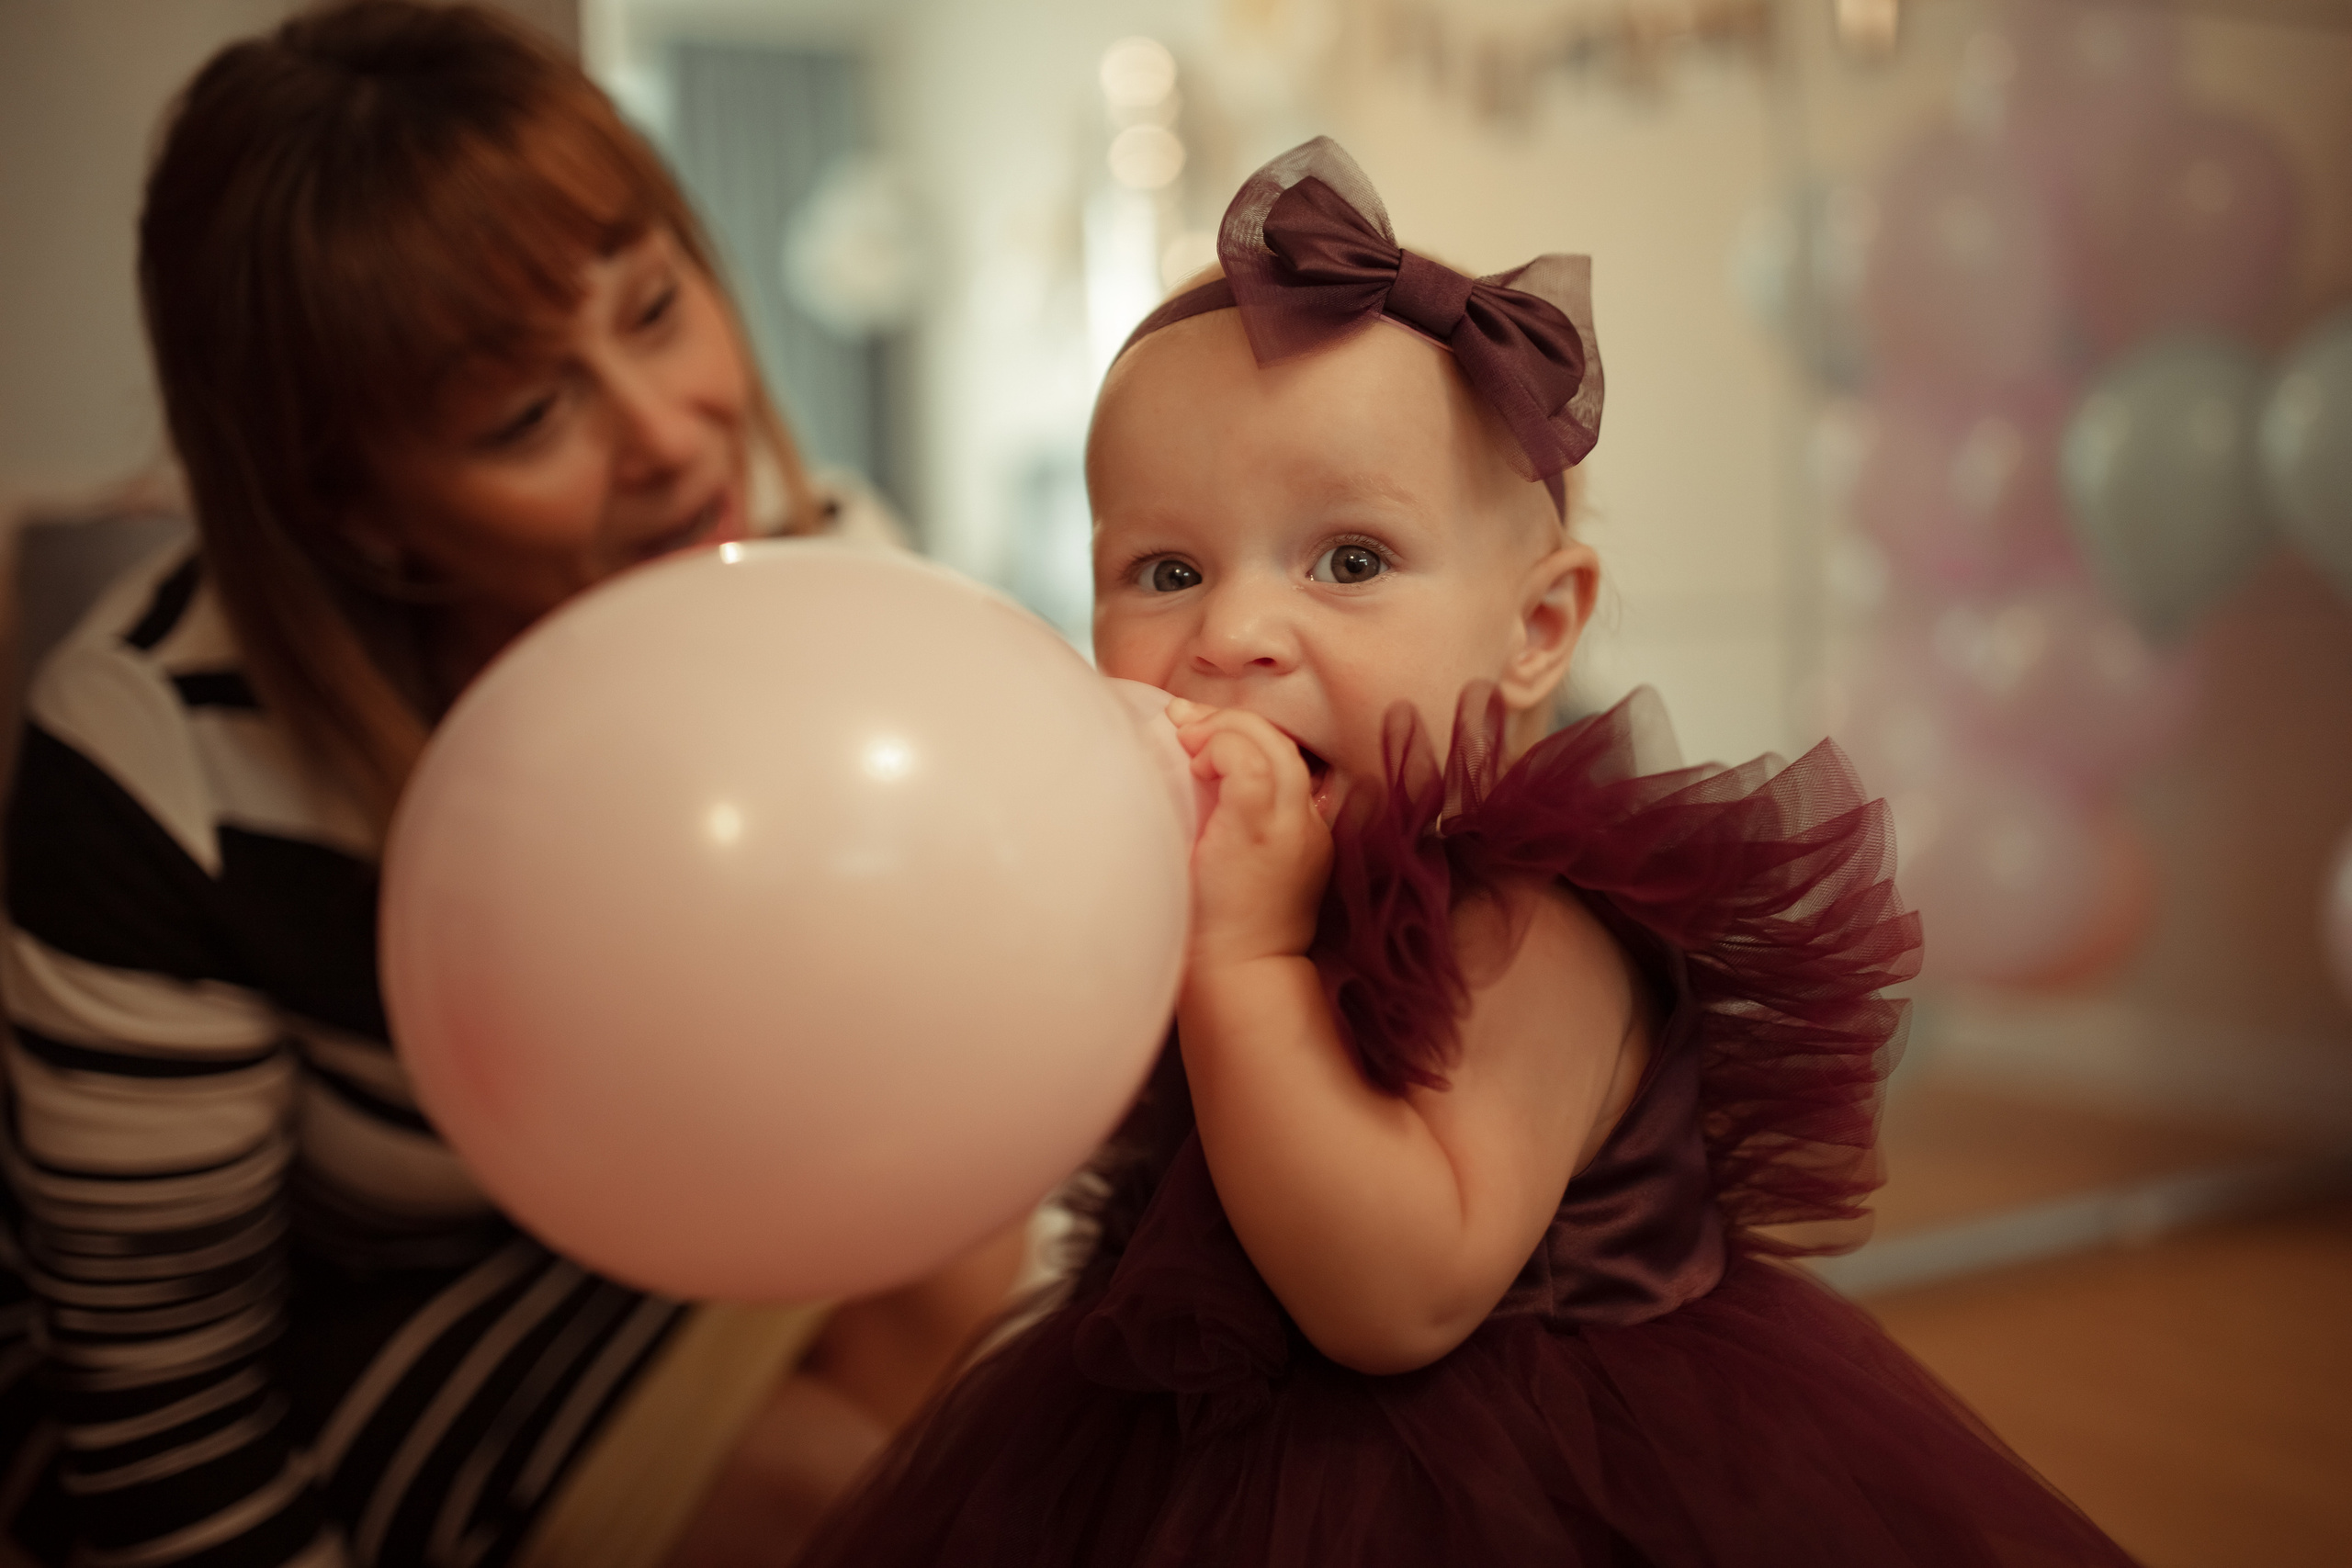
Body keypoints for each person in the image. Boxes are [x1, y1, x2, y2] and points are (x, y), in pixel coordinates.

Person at [794, 139, 2142, 1567]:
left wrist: (1241, 957)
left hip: (1520, 1473)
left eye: (1351, 562)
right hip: (1185, 1449)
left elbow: (1396, 1300)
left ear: (1538, 627)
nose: (1234, 633)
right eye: (1167, 571)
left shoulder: (1534, 923)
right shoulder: (1188, 878)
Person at [0, 6, 1020, 1566]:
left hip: (685, 1253)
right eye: (531, 415)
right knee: (848, 1498)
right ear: (360, 510)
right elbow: (161, 1419)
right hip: (361, 1336)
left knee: (1017, 1351)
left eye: (660, 307)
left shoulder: (822, 573)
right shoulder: (163, 765)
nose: (679, 438)